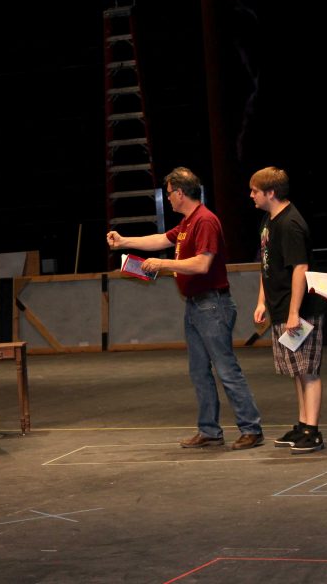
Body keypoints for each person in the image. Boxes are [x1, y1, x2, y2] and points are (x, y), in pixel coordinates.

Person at [106, 166, 264, 450]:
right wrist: (124, 242)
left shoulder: (205, 221)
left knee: (226, 369)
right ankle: (209, 431)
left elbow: (202, 264)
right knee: (199, 371)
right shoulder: (188, 223)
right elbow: (161, 240)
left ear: (180, 193)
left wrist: (164, 264)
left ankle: (251, 428)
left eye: (169, 193)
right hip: (196, 306)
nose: (168, 198)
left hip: (212, 304)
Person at [249, 167, 327, 453]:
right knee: (296, 370)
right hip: (280, 306)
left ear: (270, 192)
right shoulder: (268, 221)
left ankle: (313, 430)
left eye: (255, 191)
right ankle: (302, 423)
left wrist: (295, 312)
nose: (251, 196)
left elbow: (300, 268)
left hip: (302, 308)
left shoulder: (291, 223)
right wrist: (262, 301)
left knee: (308, 370)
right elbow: (266, 264)